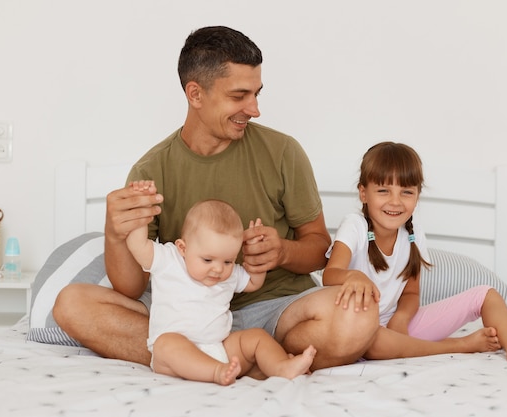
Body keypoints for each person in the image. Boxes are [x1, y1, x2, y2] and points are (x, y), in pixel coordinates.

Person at [52, 25, 381, 372]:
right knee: (71, 304)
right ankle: (245, 362)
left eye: (257, 94)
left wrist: (281, 251)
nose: (254, 109)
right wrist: (114, 231)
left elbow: (318, 249)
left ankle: (210, 362)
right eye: (239, 96)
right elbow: (131, 288)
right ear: (195, 94)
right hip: (185, 317)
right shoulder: (151, 169)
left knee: (358, 318)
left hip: (274, 309)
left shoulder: (283, 152)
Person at [323, 141, 507, 363]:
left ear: (417, 195)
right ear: (363, 193)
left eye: (406, 192)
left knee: (486, 295)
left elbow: (412, 292)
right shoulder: (354, 226)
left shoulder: (413, 234)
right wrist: (351, 277)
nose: (395, 201)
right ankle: (459, 345)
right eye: (383, 190)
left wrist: (401, 319)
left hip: (397, 325)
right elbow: (330, 274)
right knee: (374, 341)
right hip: (360, 328)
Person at [125, 189, 316, 385]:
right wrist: (142, 211)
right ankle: (216, 372)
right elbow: (137, 245)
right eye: (207, 259)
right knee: (166, 344)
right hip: (173, 359)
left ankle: (281, 367)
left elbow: (253, 282)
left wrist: (256, 255)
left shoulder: (229, 273)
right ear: (183, 248)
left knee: (257, 337)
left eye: (228, 261)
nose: (218, 269)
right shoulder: (168, 260)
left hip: (219, 349)